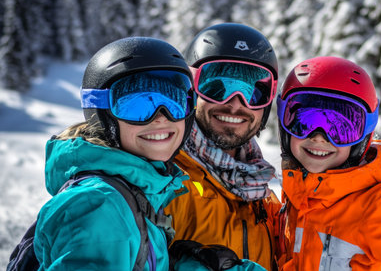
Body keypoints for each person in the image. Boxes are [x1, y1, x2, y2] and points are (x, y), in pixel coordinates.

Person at [32, 37, 196, 270]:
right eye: (137, 106)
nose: (161, 117)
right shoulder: (98, 204)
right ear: (101, 112)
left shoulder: (135, 193)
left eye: (175, 102)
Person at [276, 56, 381, 270]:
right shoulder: (298, 193)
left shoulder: (378, 206)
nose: (320, 137)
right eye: (306, 121)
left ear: (363, 136)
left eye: (340, 128)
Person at [164, 23, 282, 271]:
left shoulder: (264, 200)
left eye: (253, 93)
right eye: (216, 87)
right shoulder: (161, 181)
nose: (235, 104)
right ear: (190, 89)